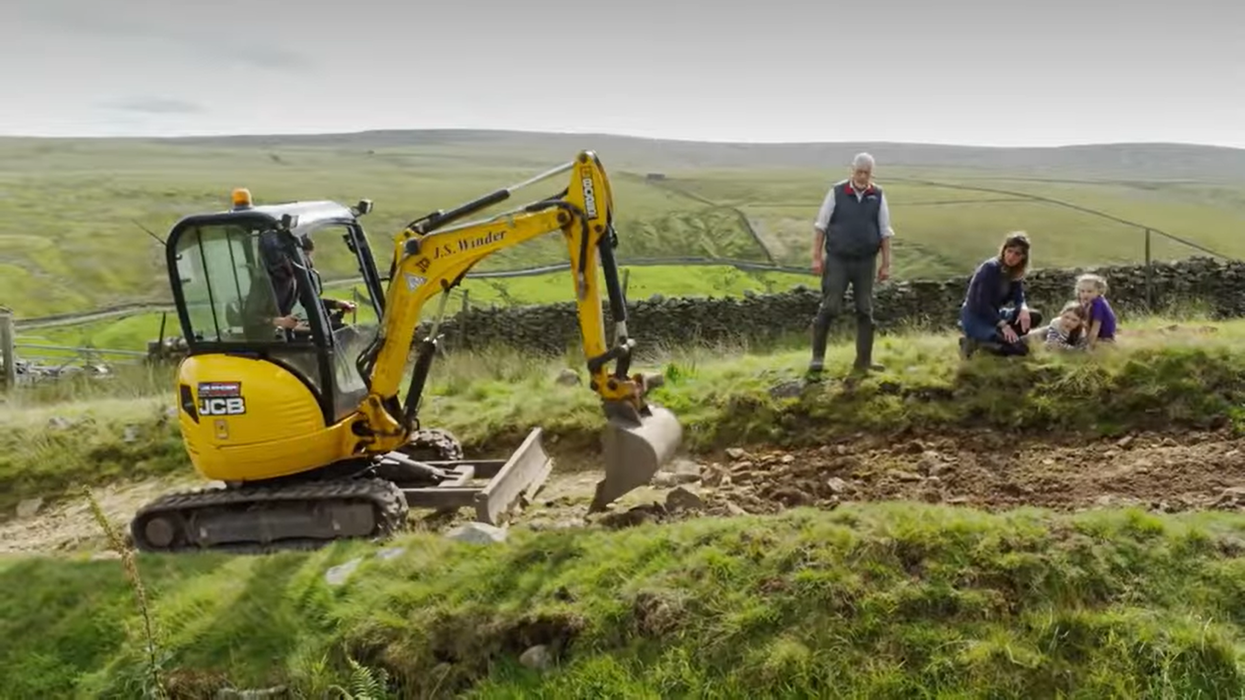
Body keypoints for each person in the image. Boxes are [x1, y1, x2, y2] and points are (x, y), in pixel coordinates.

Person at [808, 152, 894, 376]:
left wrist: (886, 264)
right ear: (852, 170)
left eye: (867, 173)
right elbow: (821, 226)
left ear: (871, 173)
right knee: (830, 306)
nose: (862, 176)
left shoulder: (878, 195)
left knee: (865, 311)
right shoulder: (837, 192)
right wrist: (816, 257)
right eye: (859, 172)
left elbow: (885, 232)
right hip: (838, 259)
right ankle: (817, 358)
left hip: (866, 262)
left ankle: (864, 361)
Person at [959, 232, 1043, 357]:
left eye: (1017, 254)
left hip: (997, 314)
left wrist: (1023, 308)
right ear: (1004, 250)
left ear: (1023, 257)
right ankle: (976, 343)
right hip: (977, 317)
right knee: (1020, 350)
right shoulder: (990, 268)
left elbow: (1018, 294)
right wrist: (1003, 325)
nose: (1011, 256)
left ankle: (1001, 338)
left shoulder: (1014, 271)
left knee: (1034, 317)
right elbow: (981, 304)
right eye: (1009, 251)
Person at [1075, 273, 1117, 348]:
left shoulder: (1098, 304)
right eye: (1082, 291)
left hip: (1104, 338)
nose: (1085, 294)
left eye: (1089, 291)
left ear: (1099, 292)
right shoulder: (1087, 302)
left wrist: (1088, 347)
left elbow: (1095, 328)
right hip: (1091, 334)